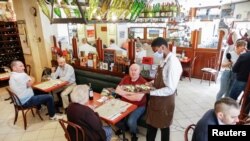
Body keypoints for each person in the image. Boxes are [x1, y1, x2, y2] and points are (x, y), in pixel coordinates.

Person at [146, 37, 182, 141]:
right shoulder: (164, 59)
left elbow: (170, 89)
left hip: (165, 102)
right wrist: (152, 82)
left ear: (163, 47)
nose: (155, 53)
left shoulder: (173, 63)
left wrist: (151, 92)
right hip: (157, 100)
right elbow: (163, 78)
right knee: (151, 125)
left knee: (164, 127)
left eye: (155, 50)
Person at [115, 64, 148, 141]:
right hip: (124, 104)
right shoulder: (126, 78)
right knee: (114, 117)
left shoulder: (144, 83)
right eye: (131, 70)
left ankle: (134, 133)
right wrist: (131, 93)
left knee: (131, 121)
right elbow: (117, 90)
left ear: (139, 71)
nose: (133, 72)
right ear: (129, 71)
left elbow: (137, 98)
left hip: (139, 106)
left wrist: (124, 92)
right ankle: (123, 128)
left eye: (135, 70)